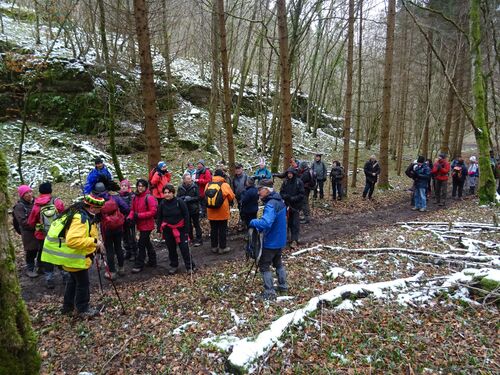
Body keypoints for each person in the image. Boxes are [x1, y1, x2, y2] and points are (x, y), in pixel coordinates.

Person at [42, 194, 105, 318]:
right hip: (75, 259)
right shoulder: (80, 219)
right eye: (99, 209)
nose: (100, 211)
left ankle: (68, 306)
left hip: (71, 258)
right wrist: (94, 242)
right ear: (92, 207)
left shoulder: (78, 212)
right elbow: (73, 241)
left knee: (73, 281)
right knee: (83, 284)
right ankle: (83, 308)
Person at [249, 179, 288, 300]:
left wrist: (253, 221)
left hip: (270, 241)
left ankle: (269, 292)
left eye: (260, 190)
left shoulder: (271, 204)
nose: (258, 192)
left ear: (267, 190)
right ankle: (283, 286)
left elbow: (266, 223)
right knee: (278, 263)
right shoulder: (279, 200)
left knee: (264, 265)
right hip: (280, 240)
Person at [27, 182, 65, 288]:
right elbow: (64, 216)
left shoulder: (36, 205)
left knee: (47, 257)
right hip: (57, 234)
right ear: (50, 191)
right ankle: (65, 276)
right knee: (60, 254)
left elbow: (30, 222)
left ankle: (49, 279)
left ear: (39, 192)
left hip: (42, 235)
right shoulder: (57, 202)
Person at [158, 184, 196, 275]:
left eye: (169, 192)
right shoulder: (162, 203)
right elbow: (159, 216)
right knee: (171, 248)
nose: (167, 194)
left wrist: (187, 230)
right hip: (168, 229)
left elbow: (186, 215)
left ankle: (190, 266)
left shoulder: (179, 202)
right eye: (165, 193)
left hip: (181, 229)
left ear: (173, 193)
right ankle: (174, 265)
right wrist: (159, 228)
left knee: (184, 248)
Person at [98, 183, 128, 280]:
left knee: (109, 250)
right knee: (119, 247)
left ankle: (112, 272)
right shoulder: (115, 198)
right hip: (118, 227)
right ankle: (122, 268)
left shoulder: (97, 201)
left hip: (106, 229)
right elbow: (126, 208)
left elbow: (96, 217)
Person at [128, 179, 158, 273]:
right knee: (146, 242)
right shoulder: (135, 197)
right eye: (139, 186)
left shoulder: (149, 197)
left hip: (147, 225)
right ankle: (153, 260)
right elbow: (132, 210)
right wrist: (130, 217)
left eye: (142, 186)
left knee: (141, 243)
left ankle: (139, 263)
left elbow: (153, 211)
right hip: (140, 224)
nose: (140, 188)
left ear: (145, 187)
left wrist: (139, 215)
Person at [206, 169, 235, 254]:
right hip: (222, 212)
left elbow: (205, 195)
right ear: (222, 176)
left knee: (213, 229)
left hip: (211, 212)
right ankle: (222, 247)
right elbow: (231, 196)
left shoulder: (208, 184)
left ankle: (214, 247)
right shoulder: (224, 185)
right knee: (222, 230)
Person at [13, 185, 39, 278]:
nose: (29, 194)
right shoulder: (19, 207)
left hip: (39, 230)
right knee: (31, 251)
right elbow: (22, 222)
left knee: (41, 249)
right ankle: (30, 269)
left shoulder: (36, 202)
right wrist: (36, 224)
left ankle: (41, 267)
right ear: (22, 195)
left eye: (30, 192)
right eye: (26, 193)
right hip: (28, 233)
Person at [279, 168, 305, 249]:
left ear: (293, 174)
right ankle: (288, 238)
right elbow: (281, 192)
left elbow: (301, 194)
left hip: (296, 206)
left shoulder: (298, 182)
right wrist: (285, 197)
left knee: (295, 223)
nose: (289, 175)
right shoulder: (285, 182)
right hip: (287, 206)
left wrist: (293, 198)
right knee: (288, 223)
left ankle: (295, 240)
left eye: (291, 173)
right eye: (288, 173)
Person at [177, 173, 202, 246]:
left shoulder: (195, 186)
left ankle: (199, 239)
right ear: (184, 180)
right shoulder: (180, 187)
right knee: (188, 225)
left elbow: (198, 197)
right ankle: (191, 239)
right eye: (188, 179)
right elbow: (177, 197)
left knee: (196, 224)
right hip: (185, 209)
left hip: (194, 209)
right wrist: (183, 198)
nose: (190, 180)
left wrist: (190, 199)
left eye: (190, 178)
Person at [119, 180, 137, 260]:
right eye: (122, 186)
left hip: (130, 219)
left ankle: (134, 252)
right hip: (121, 219)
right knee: (124, 236)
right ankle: (128, 251)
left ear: (128, 187)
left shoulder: (131, 195)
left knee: (131, 236)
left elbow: (131, 207)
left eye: (125, 186)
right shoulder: (119, 196)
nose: (123, 187)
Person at [231, 163, 249, 227]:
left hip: (245, 197)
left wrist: (246, 195)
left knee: (245, 210)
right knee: (240, 210)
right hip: (238, 197)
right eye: (236, 169)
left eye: (239, 168)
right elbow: (233, 188)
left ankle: (246, 223)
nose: (237, 170)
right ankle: (243, 223)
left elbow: (248, 187)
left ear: (242, 169)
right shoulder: (234, 178)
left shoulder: (246, 177)